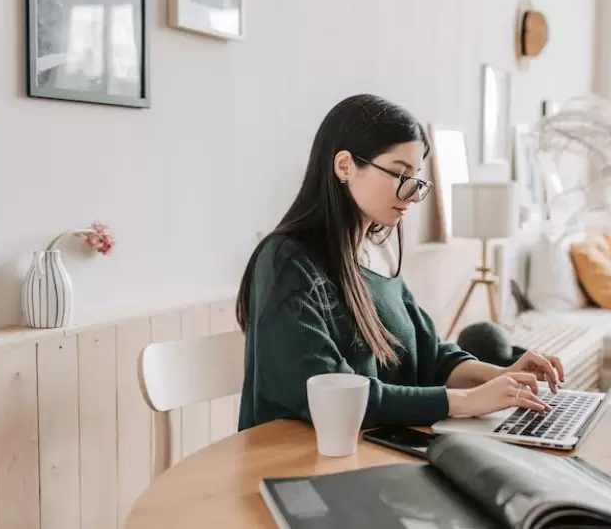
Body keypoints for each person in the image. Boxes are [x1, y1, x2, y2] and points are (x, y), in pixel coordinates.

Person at [235, 94, 564, 432]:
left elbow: (430, 355)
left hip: (378, 450)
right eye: (398, 174)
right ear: (345, 166)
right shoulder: (287, 262)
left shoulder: (380, 252)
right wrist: (465, 402)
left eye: (417, 179)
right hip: (300, 464)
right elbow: (332, 396)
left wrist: (503, 377)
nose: (411, 194)